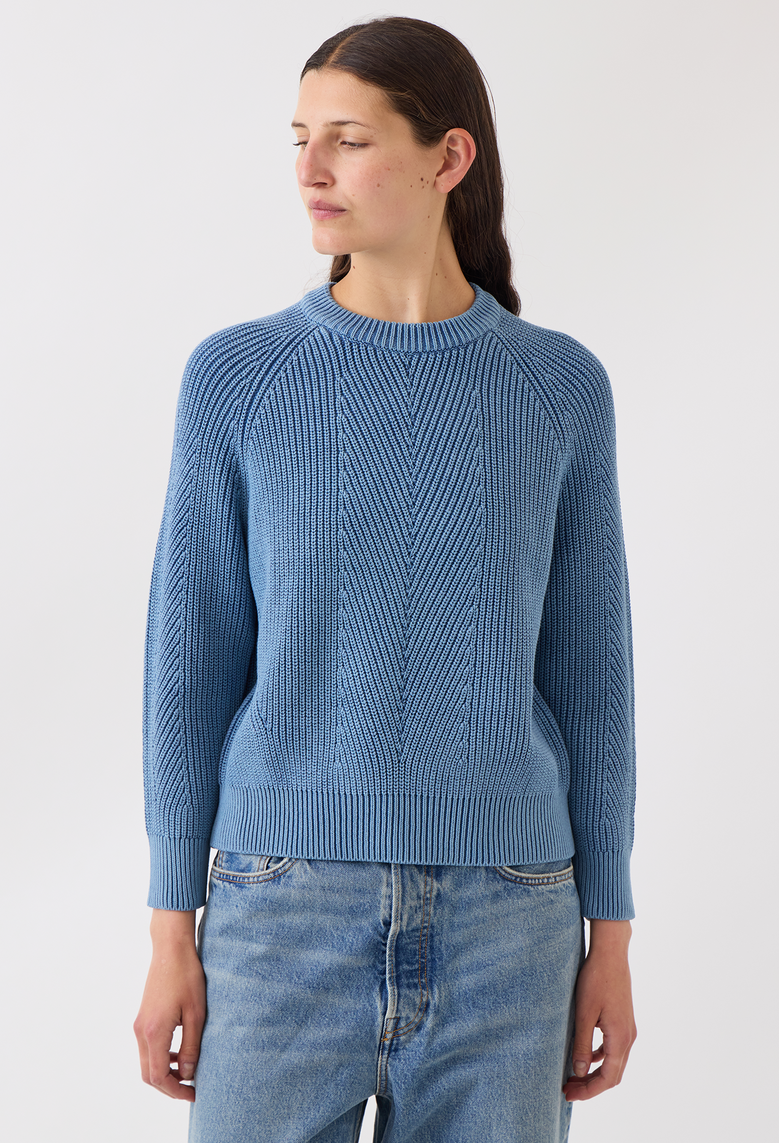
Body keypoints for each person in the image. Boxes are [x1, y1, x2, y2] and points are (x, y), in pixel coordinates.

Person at [133, 16, 637, 1142]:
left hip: (514, 922)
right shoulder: (238, 378)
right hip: (278, 912)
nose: (309, 169)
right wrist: (172, 930)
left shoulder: (558, 388)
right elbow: (187, 669)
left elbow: (592, 682)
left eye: (348, 140)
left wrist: (609, 933)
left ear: (447, 158)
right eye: (299, 138)